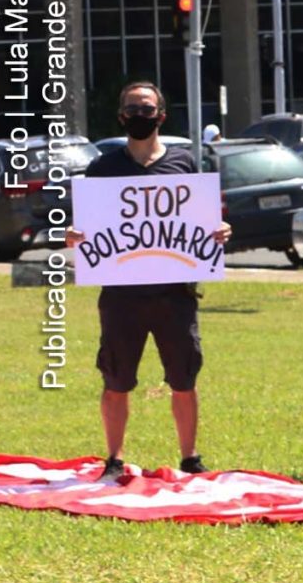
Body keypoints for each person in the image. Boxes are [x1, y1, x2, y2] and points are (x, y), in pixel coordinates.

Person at [66, 81, 233, 480]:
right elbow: (88, 226)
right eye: (132, 108)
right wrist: (75, 235)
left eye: (147, 108)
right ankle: (114, 458)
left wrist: (219, 231)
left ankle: (190, 457)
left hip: (175, 295)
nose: (140, 115)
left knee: (184, 377)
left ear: (161, 115)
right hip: (121, 296)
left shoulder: (183, 165)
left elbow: (203, 222)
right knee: (116, 378)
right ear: (122, 115)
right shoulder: (103, 168)